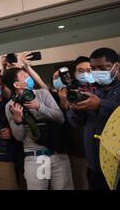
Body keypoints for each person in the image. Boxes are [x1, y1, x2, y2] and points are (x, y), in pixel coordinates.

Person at [4, 68, 74, 190]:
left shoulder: (42, 93)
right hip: (35, 157)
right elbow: (19, 137)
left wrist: (39, 106)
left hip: (58, 154)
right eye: (25, 76)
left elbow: (60, 118)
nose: (29, 77)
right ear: (16, 84)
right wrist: (18, 120)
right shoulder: (11, 105)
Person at [66, 47, 120, 190]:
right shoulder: (89, 90)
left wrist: (100, 104)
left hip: (116, 164)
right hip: (95, 165)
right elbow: (74, 122)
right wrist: (75, 109)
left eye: (102, 68)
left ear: (116, 66)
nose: (97, 72)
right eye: (93, 68)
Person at [51, 56, 91, 190]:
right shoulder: (65, 94)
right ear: (74, 74)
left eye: (89, 70)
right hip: (76, 151)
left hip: (98, 151)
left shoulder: (101, 92)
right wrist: (65, 101)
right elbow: (69, 122)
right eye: (80, 70)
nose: (85, 74)